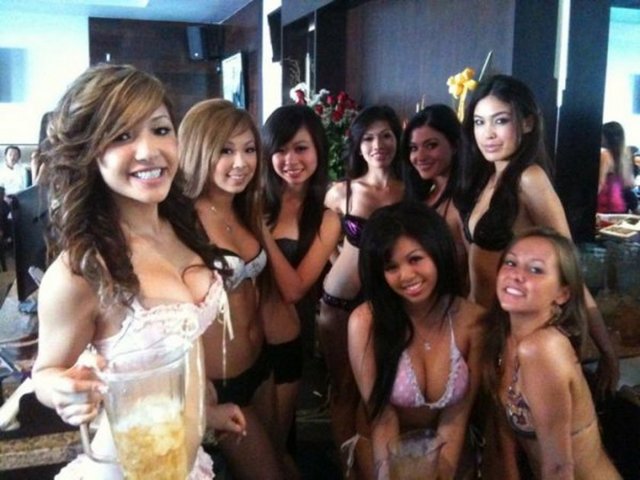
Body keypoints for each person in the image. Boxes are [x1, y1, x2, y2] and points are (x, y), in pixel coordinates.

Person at [31, 64, 245, 480]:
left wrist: (207, 414)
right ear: (90, 152)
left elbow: (180, 356)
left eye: (160, 129)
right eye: (121, 136)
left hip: (186, 460)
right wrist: (62, 389)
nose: (148, 151)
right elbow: (45, 374)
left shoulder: (183, 226)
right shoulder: (82, 270)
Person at [456, 73, 619, 477]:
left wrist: (606, 349)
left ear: (527, 122)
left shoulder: (528, 178)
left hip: (524, 331)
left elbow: (567, 266)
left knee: (546, 452)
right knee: (503, 449)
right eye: (479, 122)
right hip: (493, 334)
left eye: (500, 120)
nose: (488, 133)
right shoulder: (489, 178)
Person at [179, 98, 285, 479]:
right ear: (198, 151)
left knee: (281, 460)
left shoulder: (244, 208)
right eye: (225, 150)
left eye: (249, 149)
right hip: (220, 382)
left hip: (261, 365)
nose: (241, 162)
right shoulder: (181, 222)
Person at [348, 201, 485, 479]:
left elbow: (457, 415)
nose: (406, 276)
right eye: (391, 267)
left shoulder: (473, 321)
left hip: (447, 445)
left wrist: (441, 473)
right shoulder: (365, 322)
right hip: (381, 444)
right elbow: (381, 416)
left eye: (415, 259)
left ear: (437, 251)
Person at [484, 227, 621, 479]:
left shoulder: (542, 349)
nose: (516, 275)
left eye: (536, 269)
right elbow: (505, 431)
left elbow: (559, 467)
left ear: (562, 294)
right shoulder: (505, 338)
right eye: (511, 263)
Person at [318, 105, 405, 473]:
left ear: (398, 139)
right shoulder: (342, 192)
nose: (377, 145)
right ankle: (348, 468)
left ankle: (377, 464)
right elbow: (320, 240)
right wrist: (339, 259)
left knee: (380, 387)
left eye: (386, 135)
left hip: (389, 304)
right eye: (368, 138)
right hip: (340, 300)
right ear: (356, 144)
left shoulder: (411, 190)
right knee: (344, 387)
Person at [260, 104, 342, 457]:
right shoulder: (252, 201)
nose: (290, 160)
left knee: (277, 443)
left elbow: (295, 289)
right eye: (280, 150)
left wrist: (260, 232)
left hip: (290, 335)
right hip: (242, 335)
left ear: (318, 151)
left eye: (301, 148)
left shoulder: (327, 219)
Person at [402, 104, 468, 291]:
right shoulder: (423, 196)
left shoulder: (464, 202)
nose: (420, 156)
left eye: (431, 145)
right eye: (414, 148)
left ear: (455, 145)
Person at [598, 121, 637, 213]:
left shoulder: (605, 155)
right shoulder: (623, 156)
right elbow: (630, 183)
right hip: (618, 205)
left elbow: (600, 183)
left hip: (604, 205)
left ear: (607, 137)